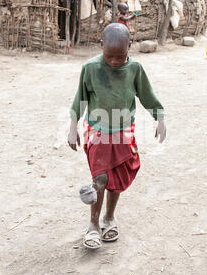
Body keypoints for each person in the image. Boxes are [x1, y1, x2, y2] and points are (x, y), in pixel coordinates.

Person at [68, 23, 166, 250]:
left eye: (120, 57)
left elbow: (147, 96)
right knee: (100, 179)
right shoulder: (90, 68)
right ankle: (93, 225)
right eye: (109, 56)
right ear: (101, 46)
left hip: (123, 132)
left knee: (116, 180)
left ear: (129, 47)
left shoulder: (135, 69)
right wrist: (72, 127)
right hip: (98, 132)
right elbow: (80, 100)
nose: (114, 62)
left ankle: (109, 218)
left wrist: (159, 118)